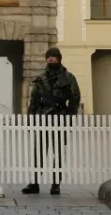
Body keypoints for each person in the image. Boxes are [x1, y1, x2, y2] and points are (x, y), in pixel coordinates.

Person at [22, 47, 81, 196]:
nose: (51, 59)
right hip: (42, 119)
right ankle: (34, 183)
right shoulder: (41, 79)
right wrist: (31, 120)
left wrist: (69, 115)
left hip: (60, 118)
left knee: (58, 153)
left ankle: (56, 185)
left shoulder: (68, 77)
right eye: (49, 56)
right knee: (39, 152)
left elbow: (75, 97)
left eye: (54, 56)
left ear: (59, 58)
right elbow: (34, 101)